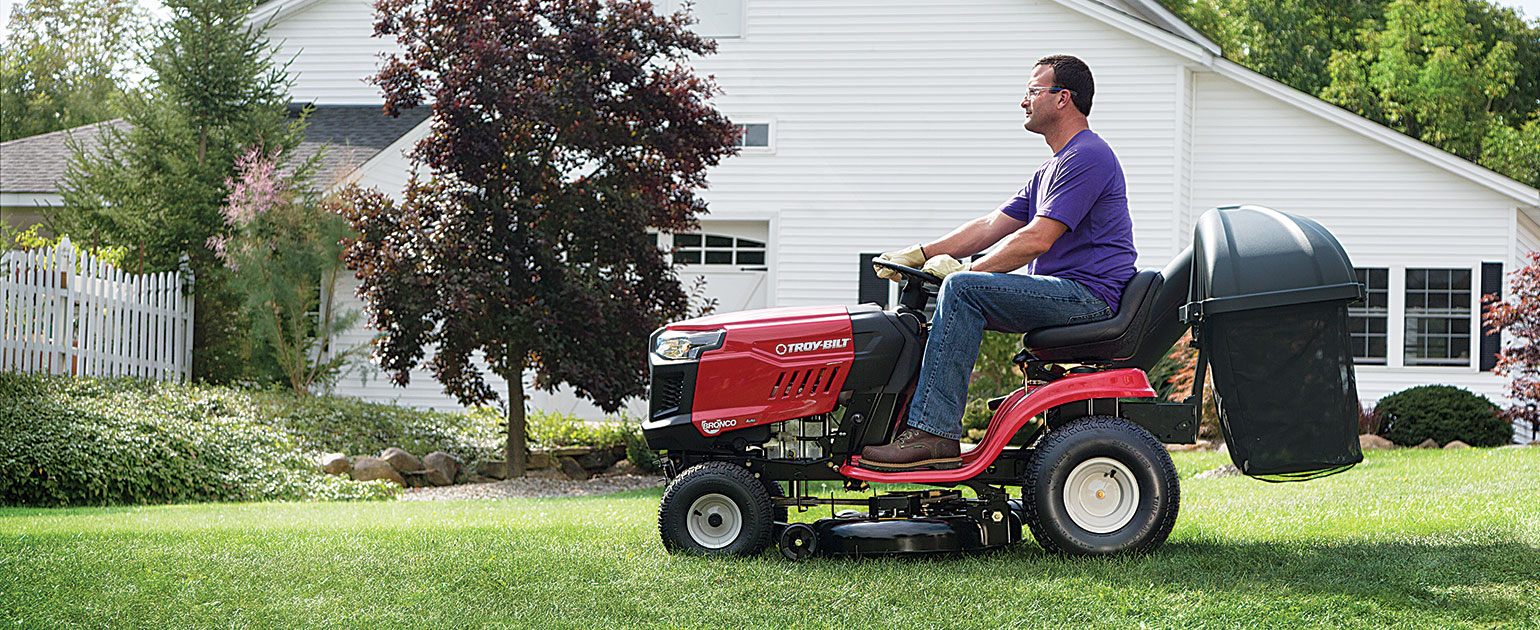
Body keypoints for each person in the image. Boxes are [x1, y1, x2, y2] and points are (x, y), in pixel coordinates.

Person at [858, 54, 1137, 471]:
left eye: (1032, 91)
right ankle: (907, 424)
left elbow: (1035, 240)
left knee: (963, 290)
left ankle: (934, 433)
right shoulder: (1052, 168)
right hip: (1066, 293)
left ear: (1063, 99)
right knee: (958, 289)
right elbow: (991, 225)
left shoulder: (1088, 156)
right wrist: (923, 254)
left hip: (1088, 297)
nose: (1023, 101)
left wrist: (965, 273)